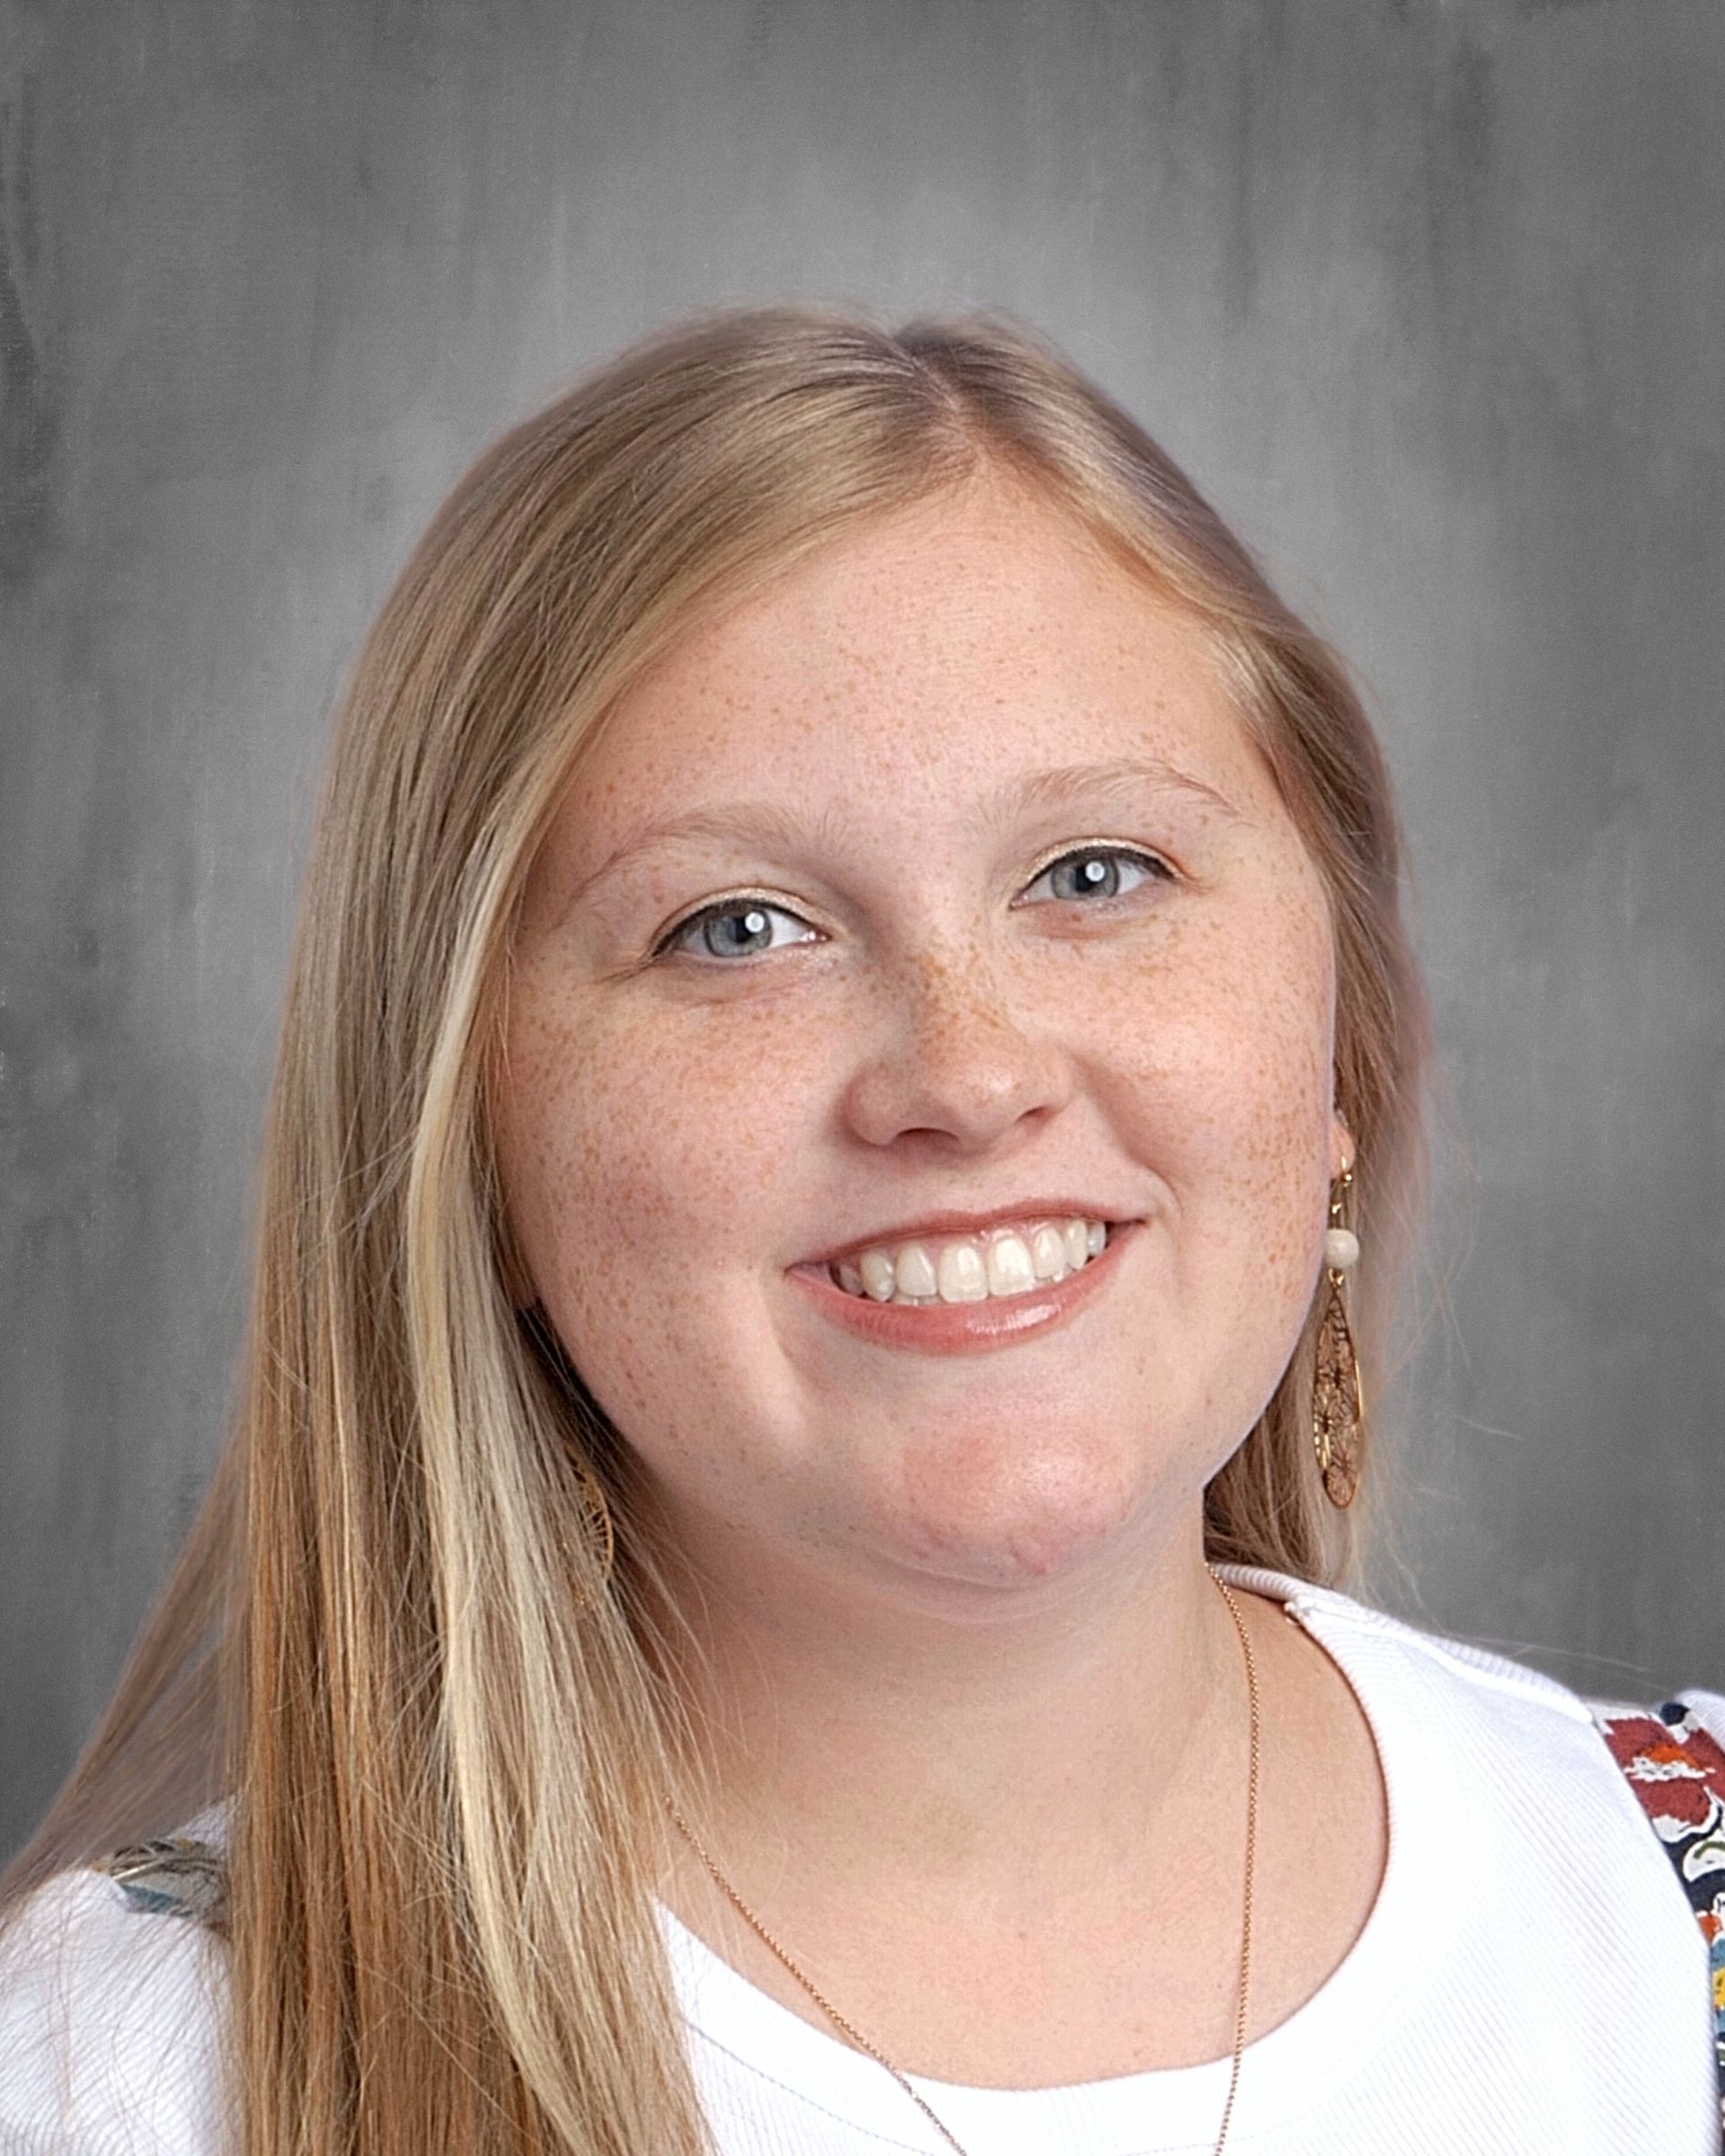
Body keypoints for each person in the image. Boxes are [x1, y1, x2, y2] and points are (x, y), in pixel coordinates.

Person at [1, 302, 1719, 2156]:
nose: (966, 1080)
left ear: (1338, 1060)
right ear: (468, 1146)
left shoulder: (1671, 1910)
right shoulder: (123, 2075)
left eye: (1096, 873)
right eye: (736, 927)